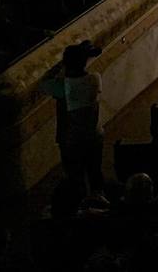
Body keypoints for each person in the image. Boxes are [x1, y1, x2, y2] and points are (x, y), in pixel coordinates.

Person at [39, 40, 105, 199]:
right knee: (95, 172)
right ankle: (99, 202)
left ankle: (79, 207)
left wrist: (61, 65)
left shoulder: (62, 86)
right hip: (94, 136)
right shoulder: (95, 79)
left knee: (76, 178)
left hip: (71, 140)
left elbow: (43, 83)